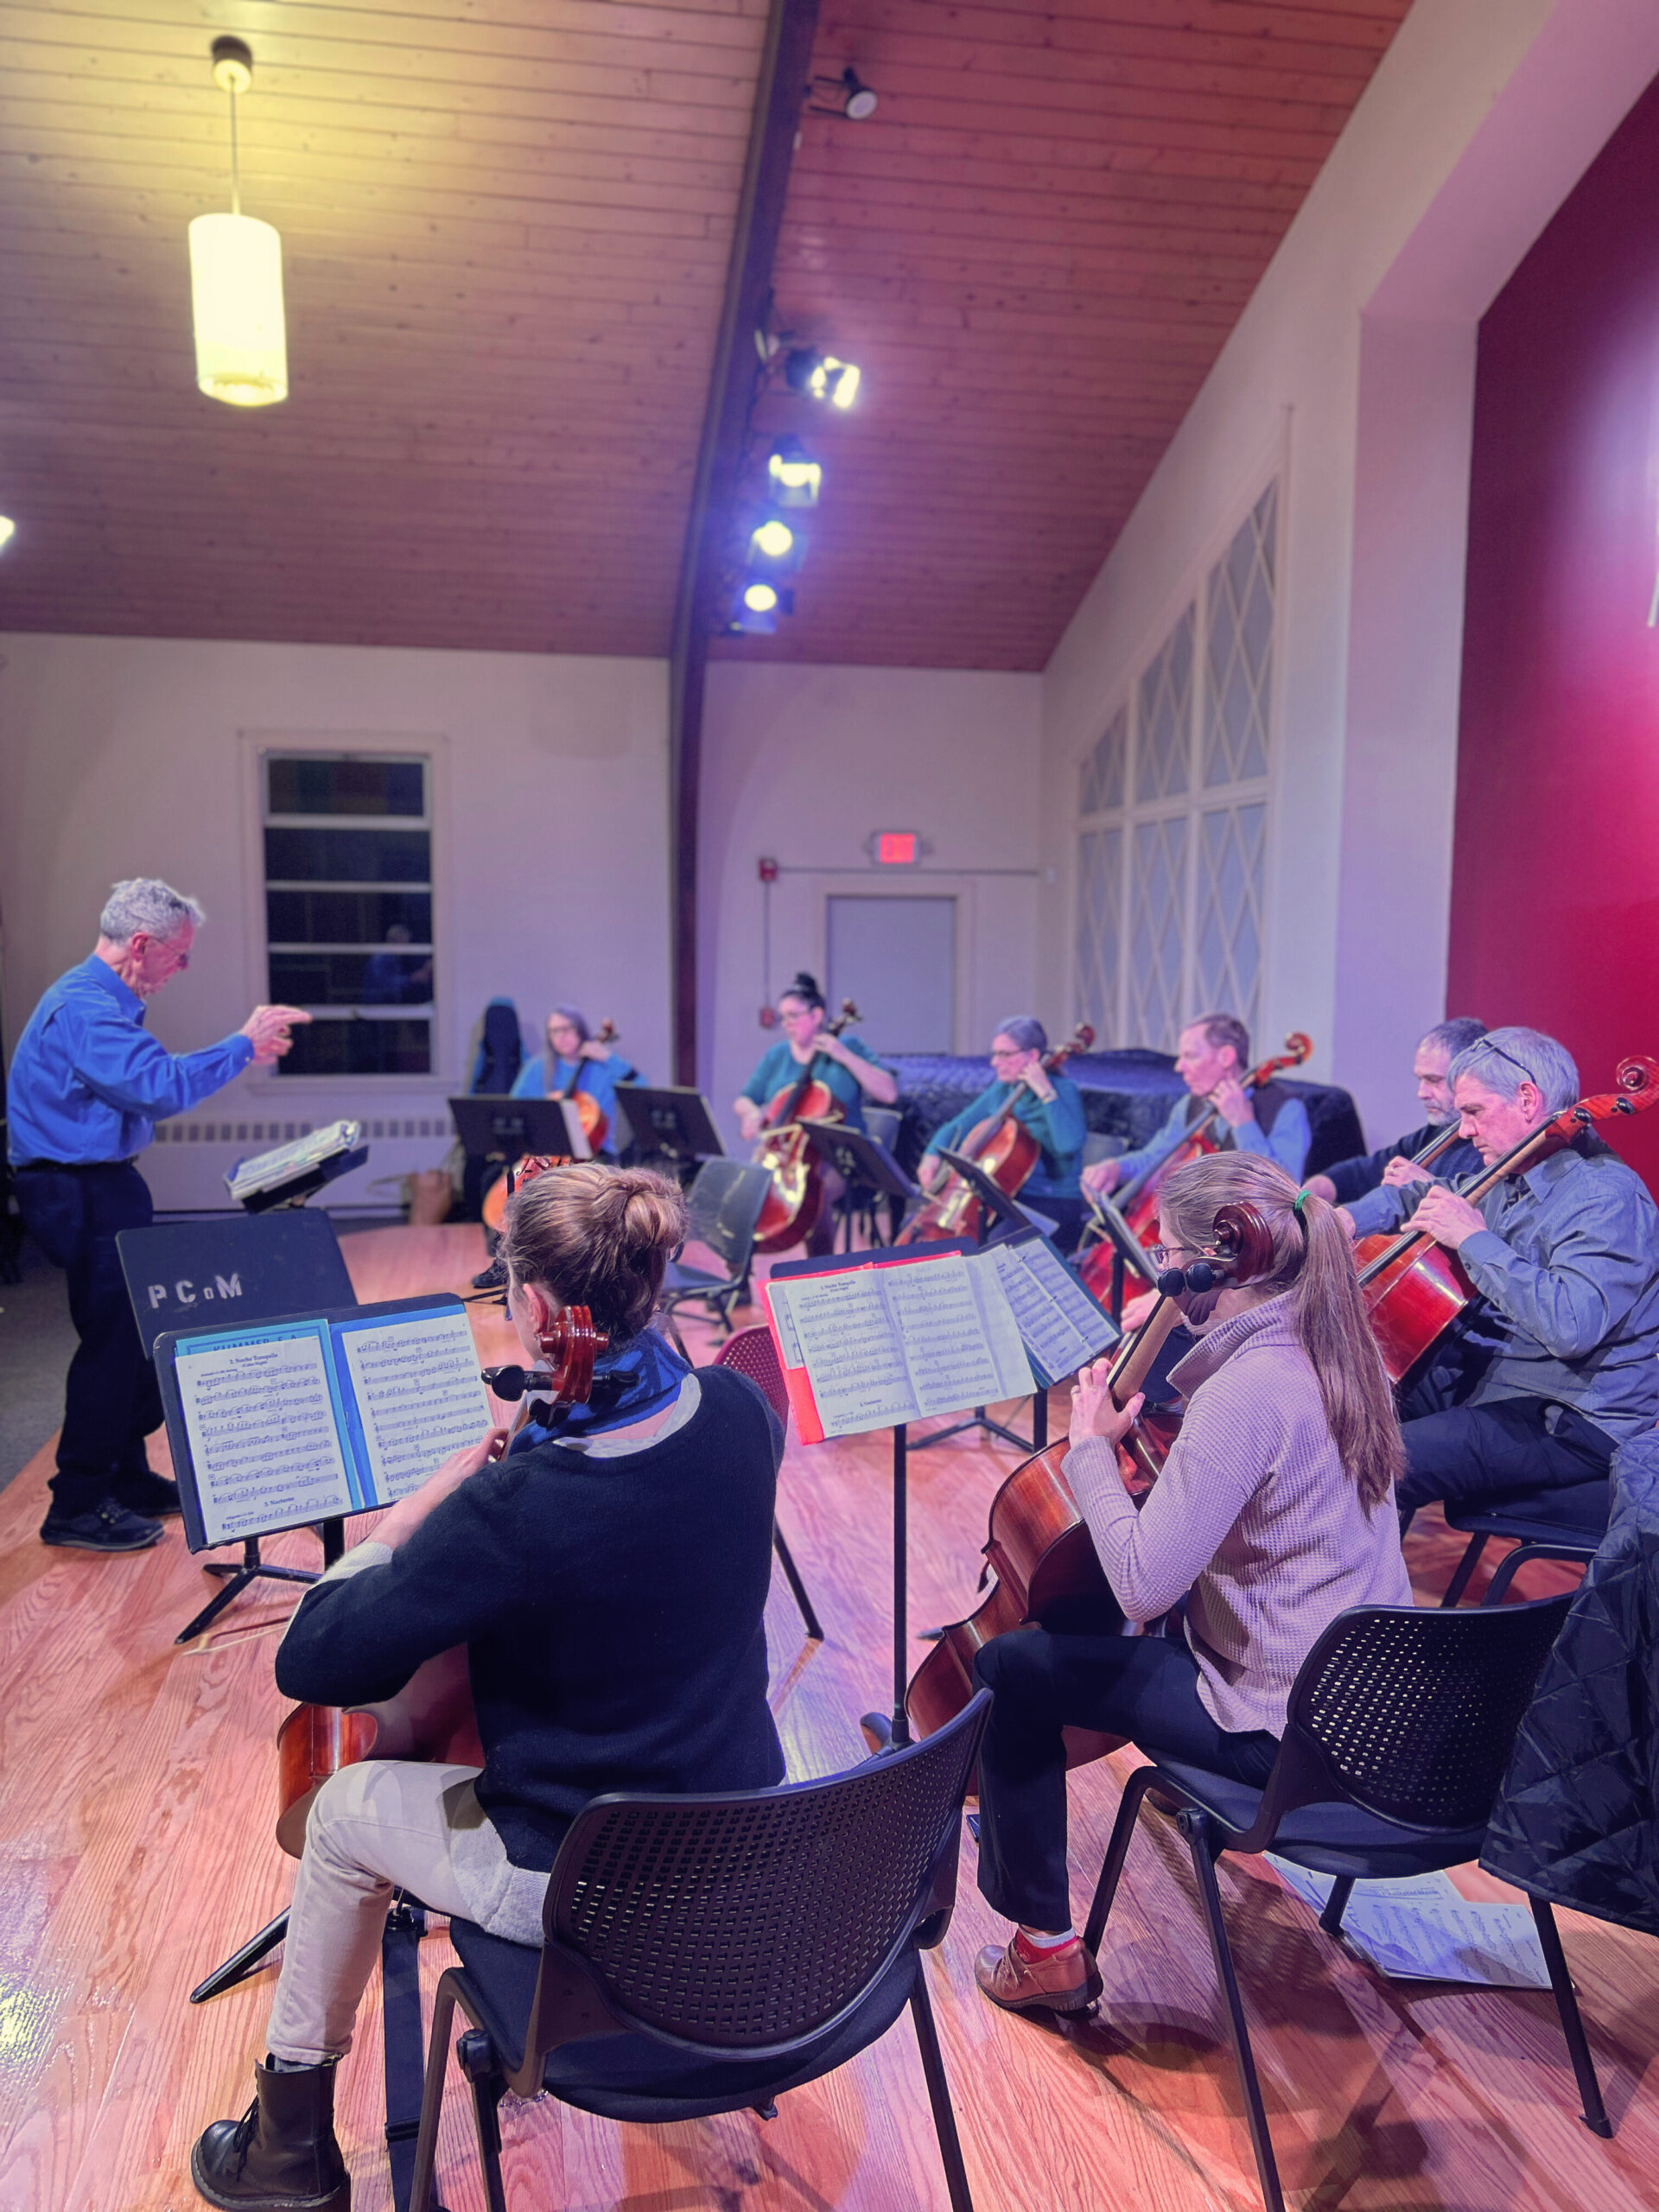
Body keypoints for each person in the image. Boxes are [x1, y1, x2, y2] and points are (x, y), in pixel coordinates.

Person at [190, 1162, 786, 2211]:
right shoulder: (738, 1409)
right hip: (739, 1834)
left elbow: (314, 1659)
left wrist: (426, 1504)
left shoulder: (516, 1511)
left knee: (340, 1810)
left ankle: (285, 2146)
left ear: (543, 1310)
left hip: (584, 1874)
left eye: (509, 1289)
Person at [970, 1152, 1410, 2013]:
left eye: (1167, 1253)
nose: (1161, 1271)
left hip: (1284, 1739)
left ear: (1218, 1261)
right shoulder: (1344, 1351)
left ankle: (1045, 1950)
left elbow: (1141, 1586)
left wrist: (1092, 1445)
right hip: (1373, 1712)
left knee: (1010, 1668)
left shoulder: (1246, 1391)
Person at [7, 880, 308, 1554]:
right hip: (79, 1191)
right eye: (179, 955)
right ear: (141, 946)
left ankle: (127, 1476)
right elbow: (159, 1087)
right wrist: (243, 1043)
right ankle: (77, 1504)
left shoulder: (98, 1000)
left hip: (100, 1185)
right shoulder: (86, 1008)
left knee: (142, 1336)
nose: (183, 968)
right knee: (112, 1346)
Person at [1355, 1027, 1659, 1523]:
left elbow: (1570, 1328)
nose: (1465, 1131)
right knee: (1341, 1401)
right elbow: (1420, 1196)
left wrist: (1474, 1238)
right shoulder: (1508, 1172)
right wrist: (1339, 1220)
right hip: (1499, 1374)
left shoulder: (1606, 1196)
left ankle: (1362, 1598)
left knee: (1372, 1466)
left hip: (1569, 1414)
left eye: (1473, 1112)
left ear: (1526, 1099)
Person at [734, 972, 898, 1254]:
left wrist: (844, 1057)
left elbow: (889, 1093)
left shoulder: (850, 1047)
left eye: (794, 1016)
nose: (787, 1025)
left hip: (841, 1158)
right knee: (743, 1193)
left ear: (817, 1015)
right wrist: (752, 1114)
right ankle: (739, 1282)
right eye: (783, 1017)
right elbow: (745, 1099)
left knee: (814, 1192)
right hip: (787, 1154)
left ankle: (820, 1272)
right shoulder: (778, 1055)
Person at [1082, 1011, 1311, 1208]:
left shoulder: (1286, 1109)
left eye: (1190, 1056)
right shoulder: (1190, 1105)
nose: (1179, 1066)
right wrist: (1114, 1168)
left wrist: (1244, 1125)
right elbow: (1155, 1158)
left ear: (1226, 1057)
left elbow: (1285, 1192)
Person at [1302, 1016, 1486, 1235]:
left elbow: (1493, 1216)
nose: (1422, 1093)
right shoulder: (1436, 1134)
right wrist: (1316, 1189)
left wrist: (1430, 1187)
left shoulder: (1493, 1146)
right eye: (1420, 1080)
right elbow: (1366, 1171)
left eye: (1434, 1080)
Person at [917, 1018, 1090, 1250]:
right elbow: (957, 1126)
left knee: (996, 1249)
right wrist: (931, 1156)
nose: (995, 1062)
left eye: (1005, 1054)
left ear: (1032, 1057)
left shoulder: (1062, 1090)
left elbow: (1069, 1144)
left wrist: (1045, 1093)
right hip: (1009, 1199)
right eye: (995, 1054)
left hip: (1053, 1203)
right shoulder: (1004, 1090)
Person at [510, 1004, 639, 1159]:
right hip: (545, 1155)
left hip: (598, 1155)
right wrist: (545, 1107)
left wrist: (608, 1058)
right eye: (554, 1031)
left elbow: (640, 1090)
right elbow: (514, 1110)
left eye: (567, 1029)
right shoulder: (536, 1068)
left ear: (580, 1030)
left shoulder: (603, 1067)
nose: (561, 1036)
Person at [359, 923, 432, 1006]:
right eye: (405, 943)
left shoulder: (395, 958)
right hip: (377, 1009)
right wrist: (411, 979)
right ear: (395, 941)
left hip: (389, 1007)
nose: (407, 948)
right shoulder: (380, 959)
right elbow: (386, 985)